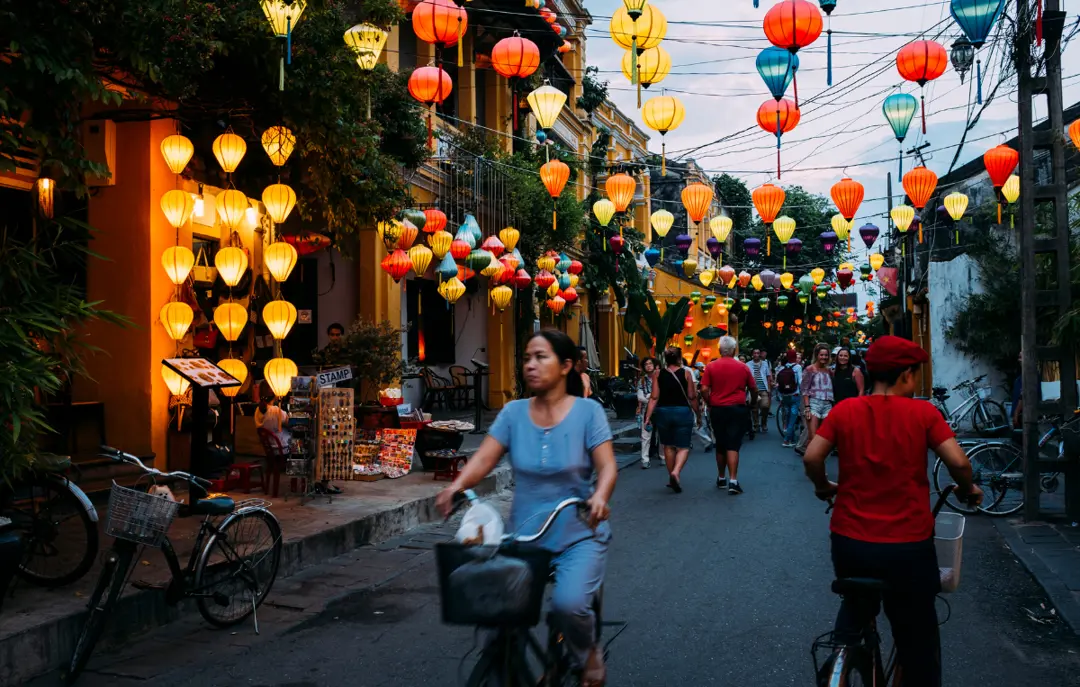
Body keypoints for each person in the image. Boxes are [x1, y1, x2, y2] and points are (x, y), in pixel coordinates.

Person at [435, 330, 617, 687]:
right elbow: (486, 456)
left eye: (541, 357)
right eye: (527, 357)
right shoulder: (514, 413)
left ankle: (589, 654)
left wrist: (599, 496)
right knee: (494, 614)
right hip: (523, 536)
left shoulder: (587, 412)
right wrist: (457, 485)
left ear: (566, 366)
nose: (530, 365)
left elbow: (607, 465)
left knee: (568, 606)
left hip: (577, 534)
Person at [802, 335, 984, 687]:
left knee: (856, 605)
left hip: (850, 541)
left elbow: (812, 457)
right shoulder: (923, 413)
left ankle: (845, 649)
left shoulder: (845, 410)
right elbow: (960, 463)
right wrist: (967, 489)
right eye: (915, 376)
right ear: (906, 376)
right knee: (917, 637)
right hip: (908, 545)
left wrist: (823, 487)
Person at [700, 336, 757, 495]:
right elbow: (753, 388)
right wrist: (751, 402)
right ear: (733, 350)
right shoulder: (743, 367)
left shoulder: (711, 367)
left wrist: (709, 402)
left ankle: (721, 477)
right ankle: (733, 480)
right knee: (733, 444)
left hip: (718, 408)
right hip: (737, 408)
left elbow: (704, 389)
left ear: (719, 350)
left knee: (720, 443)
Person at [643, 347, 698, 493]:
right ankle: (676, 472)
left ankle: (671, 475)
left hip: (663, 412)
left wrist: (647, 416)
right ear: (679, 359)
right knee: (683, 447)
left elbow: (654, 397)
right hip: (682, 412)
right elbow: (692, 396)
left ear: (665, 360)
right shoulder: (686, 373)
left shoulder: (657, 373)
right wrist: (698, 413)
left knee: (668, 445)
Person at [801, 344, 834, 443]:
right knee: (812, 437)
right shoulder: (810, 369)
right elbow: (804, 389)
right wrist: (807, 408)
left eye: (826, 355)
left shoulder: (829, 371)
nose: (824, 357)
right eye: (821, 355)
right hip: (814, 404)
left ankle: (819, 458)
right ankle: (809, 457)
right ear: (817, 355)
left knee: (824, 438)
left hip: (828, 405)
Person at [775, 349, 803, 448]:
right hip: (794, 395)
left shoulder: (784, 366)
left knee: (787, 416)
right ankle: (787, 440)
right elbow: (800, 381)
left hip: (784, 395)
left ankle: (788, 435)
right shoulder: (798, 367)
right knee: (793, 418)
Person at [636, 357, 660, 469]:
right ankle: (644, 459)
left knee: (661, 434)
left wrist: (649, 396)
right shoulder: (642, 380)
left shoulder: (661, 378)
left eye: (650, 363)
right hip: (647, 410)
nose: (649, 366)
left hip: (660, 410)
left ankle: (663, 456)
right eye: (646, 364)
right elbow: (640, 396)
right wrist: (651, 398)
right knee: (645, 435)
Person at [746, 349, 774, 436]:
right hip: (753, 389)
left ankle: (764, 422)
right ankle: (756, 425)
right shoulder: (748, 364)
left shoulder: (765, 364)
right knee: (754, 408)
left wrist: (769, 388)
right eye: (754, 353)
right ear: (752, 354)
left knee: (765, 406)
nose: (756, 354)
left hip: (763, 388)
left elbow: (768, 376)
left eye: (758, 353)